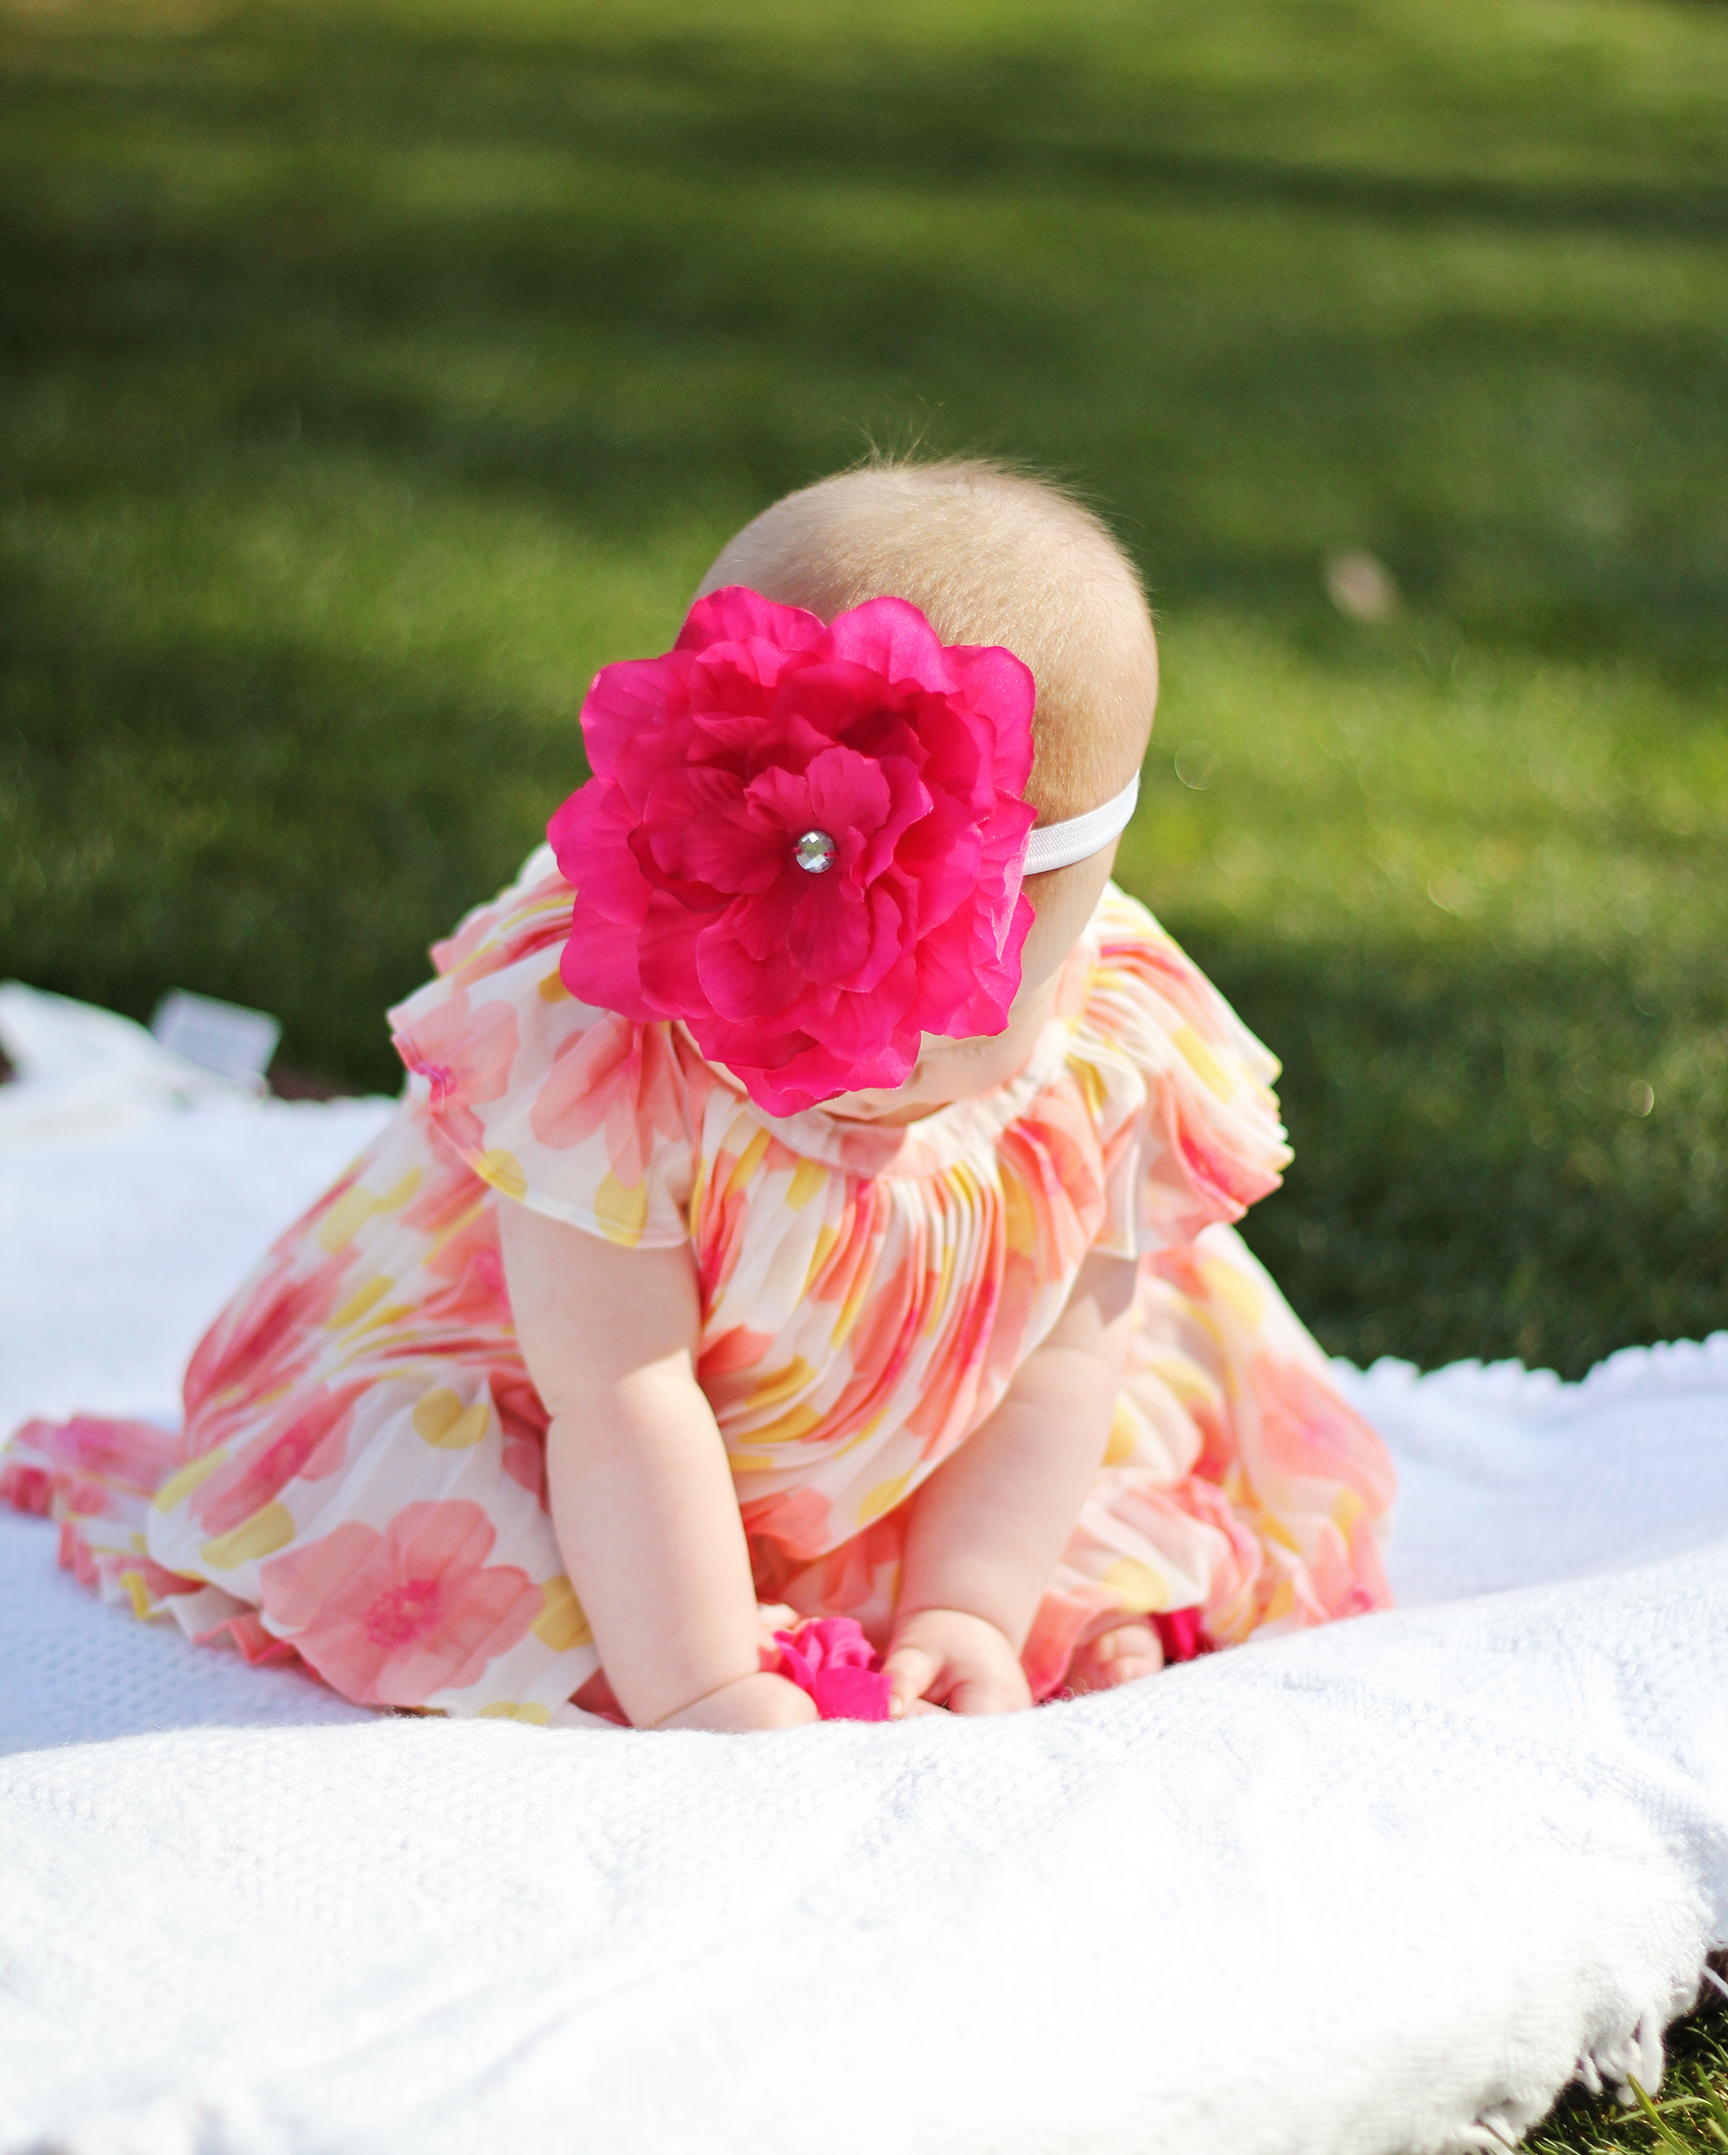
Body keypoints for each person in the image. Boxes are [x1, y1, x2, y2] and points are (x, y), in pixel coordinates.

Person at [2, 461, 1394, 1732]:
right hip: (586, 1405)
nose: (844, 1066)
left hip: (922, 1413)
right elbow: (621, 1395)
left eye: (929, 1025)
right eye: (781, 991)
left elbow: (1053, 1370)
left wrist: (971, 1606)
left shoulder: (1106, 1044)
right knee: (450, 1522)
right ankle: (697, 1620)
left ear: (1076, 920)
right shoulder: (607, 1045)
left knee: (1122, 1427)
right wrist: (703, 1684)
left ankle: (991, 1602)